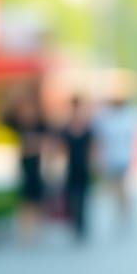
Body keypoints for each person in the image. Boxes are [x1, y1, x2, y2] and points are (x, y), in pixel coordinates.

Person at [3, 89, 49, 244]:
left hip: (37, 168)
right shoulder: (17, 124)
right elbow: (5, 119)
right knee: (24, 201)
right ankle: (24, 232)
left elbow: (47, 141)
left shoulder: (40, 124)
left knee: (37, 200)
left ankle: (36, 230)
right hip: (23, 168)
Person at [91, 94, 137, 232]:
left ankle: (124, 213)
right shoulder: (121, 118)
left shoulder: (114, 118)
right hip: (115, 158)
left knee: (120, 188)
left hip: (119, 158)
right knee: (117, 188)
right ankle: (123, 212)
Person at [53, 95, 95, 242]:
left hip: (84, 167)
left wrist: (94, 164)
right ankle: (74, 223)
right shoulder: (65, 128)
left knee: (83, 197)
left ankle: (82, 226)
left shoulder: (88, 127)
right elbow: (59, 148)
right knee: (71, 197)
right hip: (70, 167)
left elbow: (93, 148)